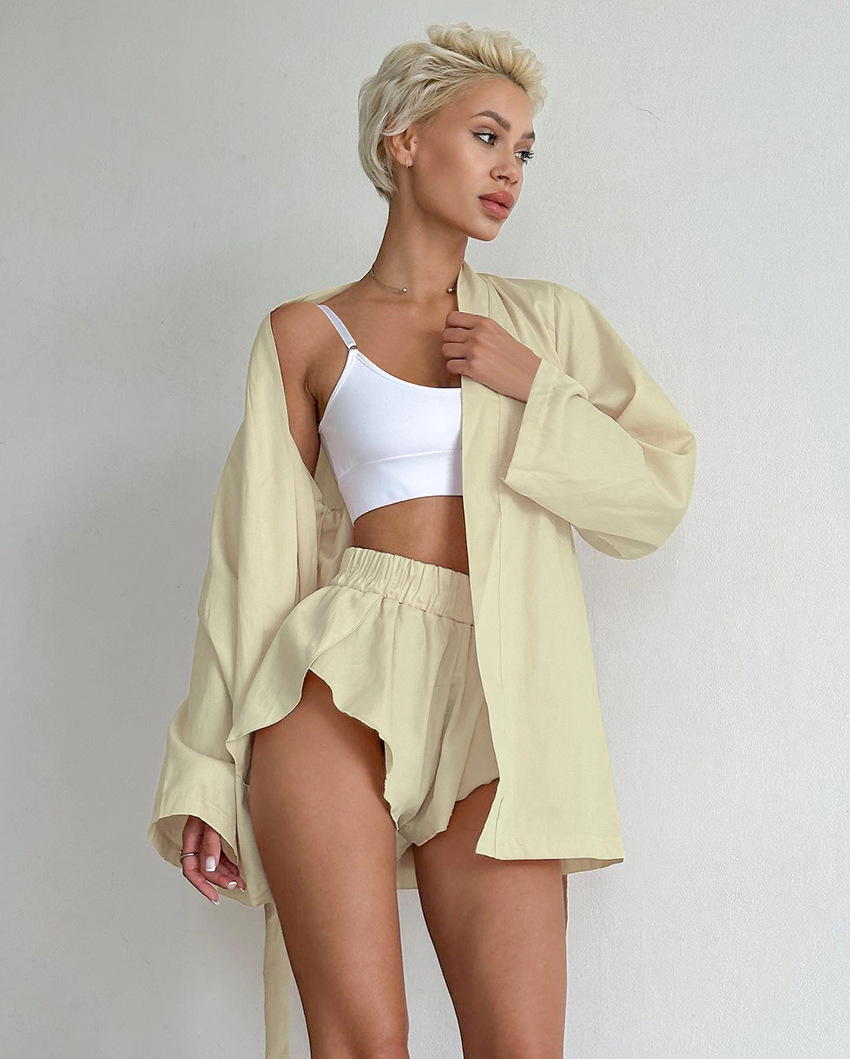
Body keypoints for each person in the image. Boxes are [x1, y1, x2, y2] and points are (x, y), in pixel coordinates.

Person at [147, 21, 697, 1059]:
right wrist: (206, 774)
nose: (509, 169)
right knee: (362, 1043)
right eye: (487, 136)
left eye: (523, 149)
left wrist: (534, 387)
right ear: (402, 140)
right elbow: (249, 567)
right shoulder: (304, 334)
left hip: (501, 690)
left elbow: (653, 498)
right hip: (335, 678)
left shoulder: (545, 326)